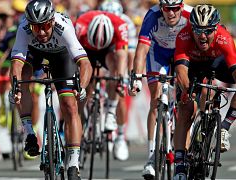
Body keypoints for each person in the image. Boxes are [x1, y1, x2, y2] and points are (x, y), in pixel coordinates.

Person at [173, 4, 236, 179]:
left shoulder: (224, 37)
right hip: (194, 67)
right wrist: (187, 92)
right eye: (198, 31)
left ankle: (224, 128)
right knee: (186, 107)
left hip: (217, 64)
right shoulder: (183, 35)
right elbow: (181, 71)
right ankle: (179, 165)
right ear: (192, 28)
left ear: (216, 28)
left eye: (208, 31)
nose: (203, 36)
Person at [9, 0, 92, 179]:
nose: (41, 32)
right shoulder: (24, 28)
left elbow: (84, 63)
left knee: (70, 104)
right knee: (22, 81)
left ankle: (73, 162)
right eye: (36, 27)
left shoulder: (64, 27)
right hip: (34, 53)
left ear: (52, 21)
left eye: (45, 26)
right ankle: (29, 133)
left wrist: (82, 87)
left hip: (61, 56)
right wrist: (15, 87)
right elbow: (16, 62)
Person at [129, 0, 192, 179]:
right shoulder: (152, 16)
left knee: (186, 103)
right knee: (156, 99)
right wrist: (136, 77)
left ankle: (184, 156)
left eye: (174, 9)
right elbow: (141, 50)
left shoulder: (190, 15)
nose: (170, 13)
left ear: (181, 7)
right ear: (161, 8)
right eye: (167, 9)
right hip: (158, 55)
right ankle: (151, 158)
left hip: (183, 54)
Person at [74, 10, 128, 138]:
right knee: (85, 80)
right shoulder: (80, 23)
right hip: (86, 49)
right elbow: (72, 53)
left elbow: (122, 55)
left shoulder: (120, 25)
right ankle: (82, 115)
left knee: (115, 68)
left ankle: (110, 111)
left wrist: (120, 79)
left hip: (107, 51)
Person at [98, 0, 136, 161]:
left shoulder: (127, 24)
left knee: (119, 87)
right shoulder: (97, 22)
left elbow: (130, 55)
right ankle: (90, 126)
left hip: (120, 50)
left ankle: (120, 135)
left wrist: (128, 76)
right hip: (102, 48)